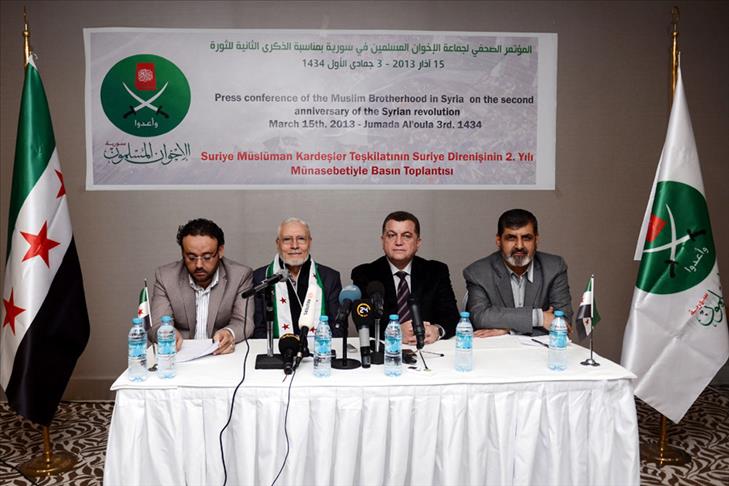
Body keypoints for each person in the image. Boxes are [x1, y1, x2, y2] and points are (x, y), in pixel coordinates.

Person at [352, 211, 460, 344]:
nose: (398, 242)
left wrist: (437, 330)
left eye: (407, 236)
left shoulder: (436, 271)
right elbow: (363, 322)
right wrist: (394, 332)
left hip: (429, 347)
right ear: (383, 240)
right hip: (386, 348)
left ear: (418, 242)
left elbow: (451, 316)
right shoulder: (364, 273)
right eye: (391, 235)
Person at [150, 218, 254, 354]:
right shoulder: (166, 277)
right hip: (180, 354)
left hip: (221, 356)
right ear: (182, 253)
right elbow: (157, 325)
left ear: (220, 251)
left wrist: (229, 333)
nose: (199, 265)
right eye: (191, 257)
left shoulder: (240, 276)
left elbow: (244, 322)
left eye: (207, 257)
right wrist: (166, 333)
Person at [463, 209, 572, 337]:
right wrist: (539, 318)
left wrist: (509, 330)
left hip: (539, 349)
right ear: (498, 240)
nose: (519, 246)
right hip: (498, 348)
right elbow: (480, 317)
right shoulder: (478, 272)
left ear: (536, 239)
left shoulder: (554, 268)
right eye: (511, 238)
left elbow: (563, 323)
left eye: (527, 238)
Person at [252, 218, 342, 339]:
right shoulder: (261, 277)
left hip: (318, 348)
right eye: (287, 239)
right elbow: (258, 330)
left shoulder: (329, 278)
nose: (294, 246)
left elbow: (338, 330)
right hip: (276, 348)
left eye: (301, 239)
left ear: (309, 242)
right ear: (278, 243)